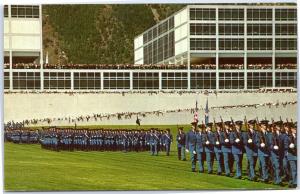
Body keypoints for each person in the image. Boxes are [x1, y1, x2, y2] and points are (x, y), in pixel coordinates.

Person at [284, 123, 297, 188]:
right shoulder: (288, 136)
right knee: (293, 169)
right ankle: (294, 182)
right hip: (291, 155)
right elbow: (285, 145)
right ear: (291, 129)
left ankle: (295, 181)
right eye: (294, 129)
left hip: (297, 155)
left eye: (296, 129)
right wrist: (289, 146)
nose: (295, 130)